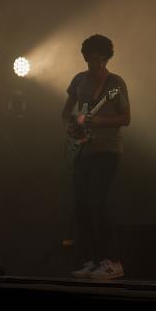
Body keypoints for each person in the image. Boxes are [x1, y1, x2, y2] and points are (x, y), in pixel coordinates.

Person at [62, 34, 130, 279]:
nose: (94, 65)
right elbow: (66, 111)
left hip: (107, 150)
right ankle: (90, 260)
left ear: (106, 58)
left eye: (99, 60)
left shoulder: (115, 83)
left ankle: (113, 261)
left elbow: (126, 118)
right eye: (89, 60)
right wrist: (70, 126)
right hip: (82, 150)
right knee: (80, 206)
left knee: (97, 204)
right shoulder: (79, 80)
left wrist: (97, 120)